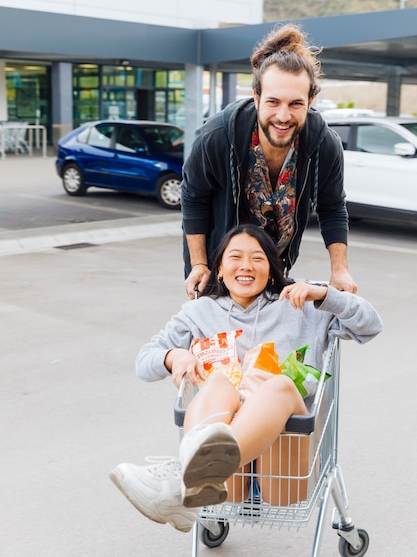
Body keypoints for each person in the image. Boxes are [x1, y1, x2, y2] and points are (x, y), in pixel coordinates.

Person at [109, 224, 382, 533]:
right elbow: (144, 361)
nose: (246, 266)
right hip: (229, 484)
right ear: (220, 270)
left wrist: (325, 294)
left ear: (271, 268)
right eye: (235, 256)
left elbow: (370, 325)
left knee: (278, 384)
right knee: (218, 382)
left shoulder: (300, 304)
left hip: (282, 469)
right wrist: (175, 356)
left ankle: (181, 484)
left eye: (258, 258)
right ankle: (194, 478)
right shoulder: (199, 313)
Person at [181, 22, 358, 300]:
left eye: (296, 104)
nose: (284, 116)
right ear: (256, 96)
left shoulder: (324, 145)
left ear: (311, 100)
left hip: (275, 268)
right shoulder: (216, 137)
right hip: (219, 269)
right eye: (273, 102)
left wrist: (340, 269)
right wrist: (199, 265)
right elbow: (194, 198)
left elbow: (332, 206)